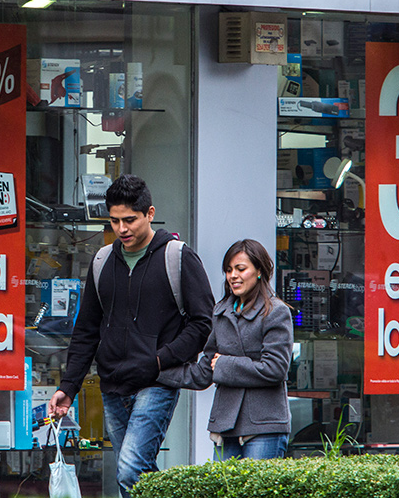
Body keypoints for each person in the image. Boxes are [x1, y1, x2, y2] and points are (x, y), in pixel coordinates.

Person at [48, 174, 214, 497]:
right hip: (112, 385)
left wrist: (159, 360)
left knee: (130, 469)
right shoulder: (102, 262)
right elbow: (86, 331)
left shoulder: (177, 257)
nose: (122, 229)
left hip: (157, 382)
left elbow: (202, 323)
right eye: (114, 221)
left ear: (149, 213)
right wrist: (68, 388)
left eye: (130, 220)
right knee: (134, 478)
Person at [158, 239, 293, 460]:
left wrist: (224, 364)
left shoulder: (276, 312)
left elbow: (275, 369)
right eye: (229, 270)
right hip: (225, 426)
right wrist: (155, 371)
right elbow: (204, 373)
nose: (233, 276)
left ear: (259, 271)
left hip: (264, 427)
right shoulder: (220, 312)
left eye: (241, 269)